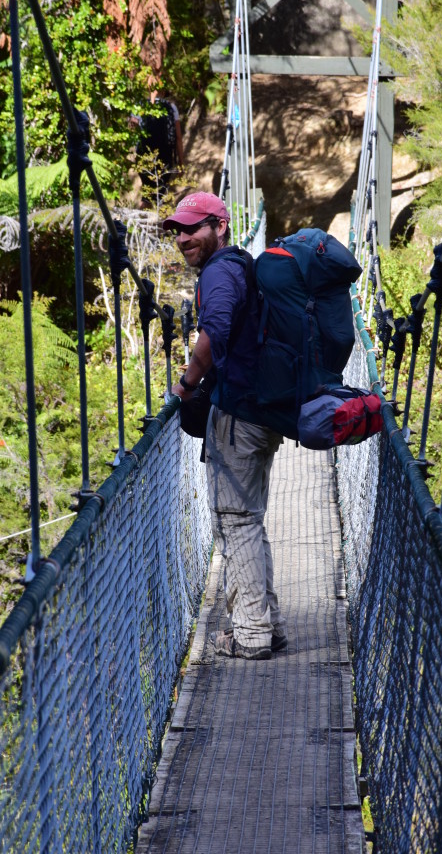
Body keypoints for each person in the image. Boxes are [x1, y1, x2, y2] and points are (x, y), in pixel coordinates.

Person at [167, 192, 287, 661]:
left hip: (239, 415)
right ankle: (267, 626)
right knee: (247, 523)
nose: (182, 238)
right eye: (177, 230)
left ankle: (252, 635)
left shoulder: (218, 274)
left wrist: (186, 383)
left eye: (193, 228)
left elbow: (214, 330)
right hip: (260, 411)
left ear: (220, 225)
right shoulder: (240, 264)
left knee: (235, 524)